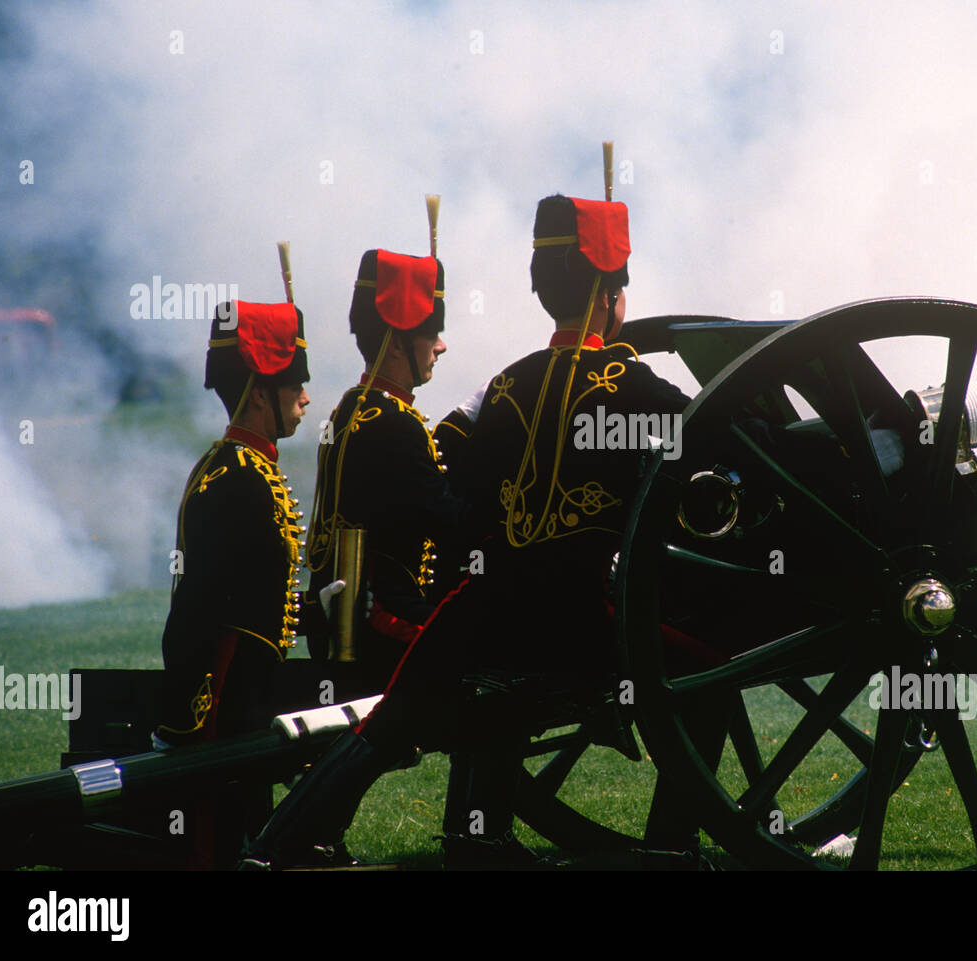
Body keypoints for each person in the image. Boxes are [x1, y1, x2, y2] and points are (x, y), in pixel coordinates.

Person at [241, 193, 692, 870]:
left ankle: (281, 847)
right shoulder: (635, 387)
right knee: (707, 662)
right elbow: (714, 445)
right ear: (608, 291)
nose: (442, 344)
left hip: (480, 613)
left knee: (394, 719)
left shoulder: (505, 387)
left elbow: (469, 503)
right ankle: (673, 842)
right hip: (575, 624)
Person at [155, 299, 310, 869]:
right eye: (295, 382)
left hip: (249, 684)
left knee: (244, 822)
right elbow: (198, 604)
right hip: (221, 691)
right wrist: (184, 719)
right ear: (259, 392)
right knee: (216, 838)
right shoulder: (237, 478)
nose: (306, 396)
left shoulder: (247, 467)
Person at [305, 249, 462, 691]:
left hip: (360, 613)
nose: (441, 345)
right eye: (431, 333)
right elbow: (450, 521)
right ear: (396, 344)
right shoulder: (395, 424)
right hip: (383, 620)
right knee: (492, 647)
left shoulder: (352, 407)